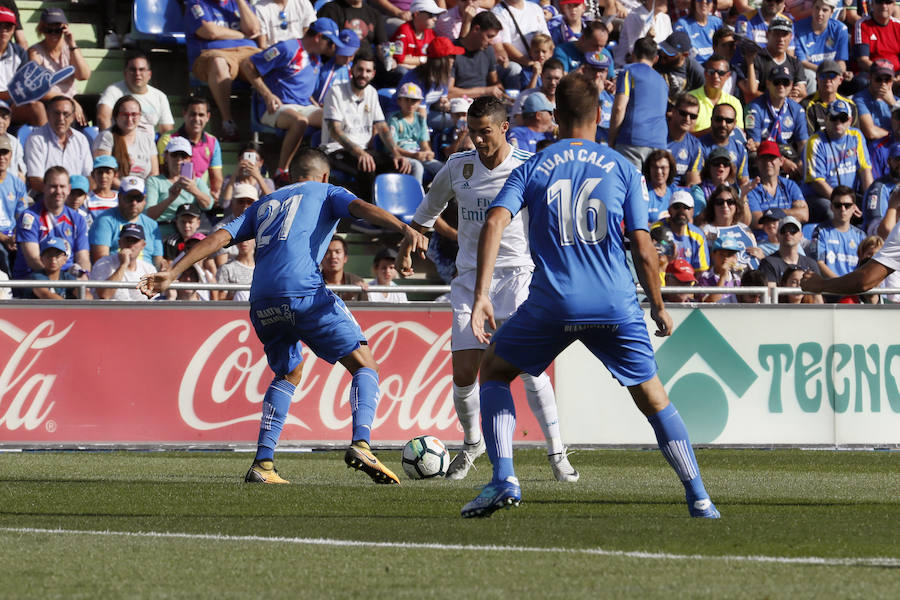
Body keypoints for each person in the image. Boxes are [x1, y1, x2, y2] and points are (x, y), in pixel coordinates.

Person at [461, 74, 718, 519]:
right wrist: (657, 304)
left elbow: (494, 223)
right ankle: (699, 497)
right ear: (600, 116)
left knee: (495, 371)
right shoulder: (622, 167)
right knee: (653, 396)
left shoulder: (534, 165)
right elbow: (642, 245)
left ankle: (504, 478)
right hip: (614, 302)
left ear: (555, 118)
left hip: (554, 302)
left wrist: (482, 294)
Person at [138, 147, 428, 485]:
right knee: (365, 364)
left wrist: (172, 273)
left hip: (261, 299)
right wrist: (403, 227)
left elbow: (219, 237)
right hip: (302, 290)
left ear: (290, 176)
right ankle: (362, 443)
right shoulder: (326, 191)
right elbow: (361, 208)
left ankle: (263, 463)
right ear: (324, 176)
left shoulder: (263, 203)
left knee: (289, 372)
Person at [397, 95, 579, 483]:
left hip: (517, 278)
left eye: (484, 132)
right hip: (468, 279)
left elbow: (556, 223)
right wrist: (406, 249)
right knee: (465, 372)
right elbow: (425, 213)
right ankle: (472, 442)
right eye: (471, 132)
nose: (477, 140)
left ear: (503, 128)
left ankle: (557, 453)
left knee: (528, 369)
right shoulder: (458, 166)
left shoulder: (530, 167)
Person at [241, 18, 339, 186]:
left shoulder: (316, 58)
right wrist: (267, 95)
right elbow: (247, 65)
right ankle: (282, 171)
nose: (332, 48)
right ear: (319, 37)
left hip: (303, 106)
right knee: (300, 121)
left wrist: (316, 103)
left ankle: (328, 165)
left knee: (333, 116)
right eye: (330, 43)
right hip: (275, 108)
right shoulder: (287, 48)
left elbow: (301, 88)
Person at [320, 51, 411, 200]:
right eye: (360, 69)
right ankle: (367, 216)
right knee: (367, 166)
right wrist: (359, 152)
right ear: (352, 70)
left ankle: (390, 211)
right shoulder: (335, 91)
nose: (363, 74)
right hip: (334, 150)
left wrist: (396, 153)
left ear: (373, 74)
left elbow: (382, 126)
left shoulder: (371, 92)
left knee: (396, 165)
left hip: (364, 151)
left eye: (368, 71)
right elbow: (335, 131)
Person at [184, 0, 262, 142]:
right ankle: (228, 122)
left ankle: (271, 114)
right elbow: (210, 31)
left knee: (267, 63)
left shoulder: (239, 4)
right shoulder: (197, 4)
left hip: (247, 52)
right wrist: (240, 35)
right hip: (214, 51)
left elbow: (253, 30)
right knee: (218, 63)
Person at [12, 166, 90, 282]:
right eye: (53, 186)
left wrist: (84, 275)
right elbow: (33, 259)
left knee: (88, 295)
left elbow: (83, 257)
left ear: (69, 189)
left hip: (67, 278)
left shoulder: (78, 219)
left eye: (62, 186)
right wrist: (57, 282)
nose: (58, 191)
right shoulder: (29, 217)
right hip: (35, 279)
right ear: (44, 187)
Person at [804, 99, 873, 223]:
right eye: (834, 118)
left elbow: (865, 171)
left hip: (849, 196)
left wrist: (870, 199)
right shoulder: (815, 142)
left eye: (843, 118)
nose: (838, 123)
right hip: (823, 197)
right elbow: (817, 182)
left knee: (874, 207)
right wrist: (844, 203)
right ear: (826, 119)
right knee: (831, 212)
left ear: (850, 121)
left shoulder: (856, 136)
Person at [609, 36, 669, 168]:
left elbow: (619, 107)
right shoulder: (663, 81)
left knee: (629, 187)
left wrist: (611, 140)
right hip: (659, 143)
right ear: (656, 59)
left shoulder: (628, 71)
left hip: (632, 141)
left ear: (633, 54)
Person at [27, 8, 91, 125]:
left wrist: (72, 44)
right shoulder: (35, 52)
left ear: (64, 29)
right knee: (64, 110)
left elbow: (84, 75)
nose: (53, 34)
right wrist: (68, 100)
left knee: (97, 102)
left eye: (58, 30)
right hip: (49, 100)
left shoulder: (70, 49)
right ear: (41, 29)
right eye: (48, 30)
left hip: (72, 97)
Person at [744, 66, 809, 177]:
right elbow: (755, 145)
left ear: (792, 84)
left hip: (789, 154)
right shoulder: (754, 108)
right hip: (765, 155)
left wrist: (802, 161)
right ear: (768, 83)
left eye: (785, 82)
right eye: (777, 82)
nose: (781, 86)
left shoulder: (797, 110)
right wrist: (782, 161)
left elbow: (803, 143)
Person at [157, 97, 224, 203]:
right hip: (171, 198)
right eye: (193, 114)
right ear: (184, 114)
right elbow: (161, 172)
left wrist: (212, 197)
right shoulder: (168, 139)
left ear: (208, 117)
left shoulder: (213, 141)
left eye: (201, 115)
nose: (197, 119)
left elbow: (216, 178)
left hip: (199, 200)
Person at [145, 137, 214, 239]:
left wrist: (194, 190)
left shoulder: (196, 182)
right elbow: (149, 215)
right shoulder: (154, 181)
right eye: (175, 155)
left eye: (184, 156)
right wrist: (170, 198)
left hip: (190, 233)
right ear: (166, 157)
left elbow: (208, 205)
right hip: (162, 233)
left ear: (190, 158)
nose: (179, 159)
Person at [89, 176, 163, 269]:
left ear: (144, 199)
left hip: (147, 276)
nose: (134, 203)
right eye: (129, 198)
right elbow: (101, 261)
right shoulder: (105, 220)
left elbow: (158, 261)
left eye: (138, 198)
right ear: (119, 197)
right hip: (116, 272)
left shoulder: (152, 225)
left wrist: (163, 267)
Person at [23, 96, 92, 193]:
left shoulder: (81, 139)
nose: (61, 118)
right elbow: (35, 181)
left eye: (66, 114)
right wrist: (61, 194)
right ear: (48, 115)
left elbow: (89, 176)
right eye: (56, 113)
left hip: (77, 196)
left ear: (72, 117)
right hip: (46, 196)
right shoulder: (36, 139)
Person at [95, 52, 175, 135]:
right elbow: (103, 118)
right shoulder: (113, 91)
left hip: (149, 145)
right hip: (119, 142)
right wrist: (112, 143)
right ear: (125, 73)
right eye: (133, 69)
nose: (137, 73)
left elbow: (167, 130)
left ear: (149, 74)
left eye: (141, 69)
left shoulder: (160, 96)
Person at [92, 95, 160, 184]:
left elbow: (154, 173)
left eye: (134, 114)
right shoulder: (106, 137)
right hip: (118, 191)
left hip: (143, 192)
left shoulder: (147, 139)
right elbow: (103, 174)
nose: (129, 119)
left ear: (140, 116)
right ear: (116, 116)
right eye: (125, 114)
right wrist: (128, 190)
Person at [388, 82, 443, 185]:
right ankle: (416, 198)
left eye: (414, 100)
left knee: (443, 168)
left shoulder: (420, 119)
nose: (410, 103)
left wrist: (427, 152)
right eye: (406, 99)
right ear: (399, 101)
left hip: (417, 154)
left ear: (419, 102)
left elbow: (424, 143)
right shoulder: (394, 119)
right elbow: (393, 147)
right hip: (401, 156)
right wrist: (413, 155)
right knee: (417, 166)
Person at [745, 140, 808, 228]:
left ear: (781, 161)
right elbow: (757, 221)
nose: (767, 162)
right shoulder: (751, 188)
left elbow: (804, 215)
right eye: (764, 158)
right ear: (757, 161)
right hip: (763, 240)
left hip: (789, 237)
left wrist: (770, 214)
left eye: (772, 157)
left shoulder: (790, 185)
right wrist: (790, 212)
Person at [810, 185, 867, 281]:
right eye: (838, 205)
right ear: (831, 207)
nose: (843, 209)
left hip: (854, 290)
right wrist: (840, 284)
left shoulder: (861, 236)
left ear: (854, 208)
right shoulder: (820, 231)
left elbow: (866, 265)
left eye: (847, 205)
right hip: (830, 290)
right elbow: (818, 263)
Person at [0, 6, 44, 127]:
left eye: (7, 26)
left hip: (13, 104)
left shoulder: (19, 53)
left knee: (37, 108)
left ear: (13, 29)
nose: (3, 30)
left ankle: (46, 144)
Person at [89, 223, 157, 301]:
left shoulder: (149, 269)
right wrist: (123, 265)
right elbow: (104, 295)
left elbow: (154, 300)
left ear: (143, 245)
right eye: (127, 240)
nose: (130, 245)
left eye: (135, 241)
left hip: (141, 311)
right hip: (110, 311)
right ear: (119, 243)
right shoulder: (103, 263)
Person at [700, 183, 760, 271]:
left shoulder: (745, 229)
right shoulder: (704, 231)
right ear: (713, 206)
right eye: (719, 202)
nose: (725, 205)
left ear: (736, 206)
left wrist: (761, 255)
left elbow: (754, 257)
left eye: (730, 202)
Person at [447, 11, 506, 100]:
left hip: (483, 104)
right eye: (489, 36)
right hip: (459, 105)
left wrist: (504, 94)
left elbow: (494, 82)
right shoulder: (452, 52)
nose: (491, 42)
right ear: (476, 29)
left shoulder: (488, 50)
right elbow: (448, 92)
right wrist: (484, 91)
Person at [759, 215, 823, 292]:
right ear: (777, 236)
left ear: (801, 235)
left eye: (793, 230)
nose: (788, 233)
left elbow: (818, 298)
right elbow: (770, 297)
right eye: (783, 230)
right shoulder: (768, 263)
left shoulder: (811, 264)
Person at [652, 189, 710, 274]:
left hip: (687, 284)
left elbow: (700, 271)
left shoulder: (698, 236)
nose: (681, 211)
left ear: (692, 211)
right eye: (677, 207)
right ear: (669, 210)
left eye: (686, 207)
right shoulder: (656, 229)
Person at [491, 0, 551, 78]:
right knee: (515, 68)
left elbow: (547, 39)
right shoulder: (498, 12)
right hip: (519, 64)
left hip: (540, 62)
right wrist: (529, 63)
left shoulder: (535, 8)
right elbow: (505, 44)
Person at [689, 54, 744, 135]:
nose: (715, 76)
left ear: (728, 76)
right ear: (705, 73)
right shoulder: (690, 98)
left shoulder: (734, 102)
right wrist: (715, 130)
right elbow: (684, 136)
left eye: (721, 73)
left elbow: (739, 134)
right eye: (711, 72)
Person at [793, 0, 849, 78]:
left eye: (825, 10)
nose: (819, 13)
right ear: (812, 8)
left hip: (831, 75)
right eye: (817, 8)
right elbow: (802, 62)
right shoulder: (797, 28)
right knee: (809, 75)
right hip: (810, 74)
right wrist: (826, 71)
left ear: (832, 12)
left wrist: (842, 72)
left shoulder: (840, 29)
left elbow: (841, 61)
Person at [801, 60, 858, 135]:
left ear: (840, 80)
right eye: (823, 76)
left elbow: (855, 136)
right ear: (817, 79)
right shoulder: (807, 105)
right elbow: (809, 140)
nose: (827, 80)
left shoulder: (850, 105)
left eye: (832, 76)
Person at [698, 104, 749, 187]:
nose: (723, 124)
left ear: (735, 123)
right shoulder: (699, 146)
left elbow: (743, 182)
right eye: (719, 119)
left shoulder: (740, 149)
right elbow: (696, 182)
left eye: (729, 121)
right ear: (711, 120)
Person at [614, 0, 673, 67]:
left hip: (659, 64)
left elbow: (670, 46)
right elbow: (634, 52)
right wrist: (647, 39)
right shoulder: (634, 16)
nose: (665, 2)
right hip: (630, 66)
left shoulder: (665, 18)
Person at [853, 60, 898, 146]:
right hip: (874, 148)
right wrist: (894, 135)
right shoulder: (860, 99)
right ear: (870, 78)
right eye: (878, 79)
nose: (883, 84)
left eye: (887, 80)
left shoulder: (896, 101)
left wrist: (893, 104)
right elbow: (871, 132)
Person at [390, 0, 442, 73]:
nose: (435, 19)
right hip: (404, 71)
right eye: (431, 15)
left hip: (419, 69)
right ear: (416, 14)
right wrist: (422, 60)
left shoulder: (431, 33)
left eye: (436, 15)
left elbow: (434, 58)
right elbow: (399, 59)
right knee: (402, 71)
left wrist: (412, 62)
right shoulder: (404, 30)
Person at [863, 142, 900, 236]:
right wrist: (893, 205)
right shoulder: (879, 188)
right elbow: (879, 232)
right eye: (897, 159)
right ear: (889, 161)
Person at [655, 31, 704, 101]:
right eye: (664, 49)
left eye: (670, 53)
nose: (663, 54)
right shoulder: (655, 58)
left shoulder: (697, 72)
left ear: (685, 55)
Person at [666, 92, 703, 187]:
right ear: (673, 112)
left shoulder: (695, 145)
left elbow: (693, 183)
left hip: (679, 195)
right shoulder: (658, 137)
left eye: (693, 116)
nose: (687, 119)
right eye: (683, 113)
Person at [0, 133, 23, 275]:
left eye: (4, 152)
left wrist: (16, 235)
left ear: (11, 155)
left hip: (12, 235)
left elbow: (22, 214)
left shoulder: (17, 184)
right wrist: (3, 238)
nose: (1, 157)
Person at [322, 235, 367, 301]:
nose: (333, 256)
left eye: (338, 252)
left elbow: (366, 310)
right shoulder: (314, 283)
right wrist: (348, 296)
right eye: (327, 252)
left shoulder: (356, 282)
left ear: (345, 258)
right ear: (320, 258)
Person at [698, 236, 743, 302]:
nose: (725, 258)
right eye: (722, 254)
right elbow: (709, 302)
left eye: (729, 255)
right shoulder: (704, 277)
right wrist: (722, 277)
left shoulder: (737, 279)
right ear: (713, 255)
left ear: (735, 258)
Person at [643, 149, 679, 224]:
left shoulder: (676, 192)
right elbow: (640, 223)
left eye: (663, 168)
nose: (659, 172)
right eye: (654, 167)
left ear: (670, 169)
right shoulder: (642, 191)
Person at [86, 155, 119, 220]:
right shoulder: (87, 199)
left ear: (115, 175)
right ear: (93, 175)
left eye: (108, 172)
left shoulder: (120, 198)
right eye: (100, 172)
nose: (103, 176)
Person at [0, 100, 24, 180]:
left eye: (4, 117)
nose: (0, 121)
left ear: (9, 121)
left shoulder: (15, 142)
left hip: (10, 188)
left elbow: (21, 173)